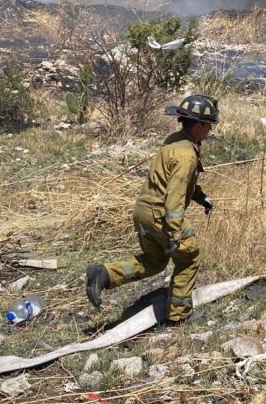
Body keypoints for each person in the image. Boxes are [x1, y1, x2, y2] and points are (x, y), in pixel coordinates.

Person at [85, 94, 217, 324]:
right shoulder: (186, 155)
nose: (210, 130)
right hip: (161, 215)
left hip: (143, 212)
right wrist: (175, 233)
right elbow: (175, 196)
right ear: (198, 126)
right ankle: (179, 316)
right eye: (208, 125)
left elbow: (175, 181)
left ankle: (105, 273)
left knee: (155, 261)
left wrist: (200, 197)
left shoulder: (175, 141)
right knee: (189, 257)